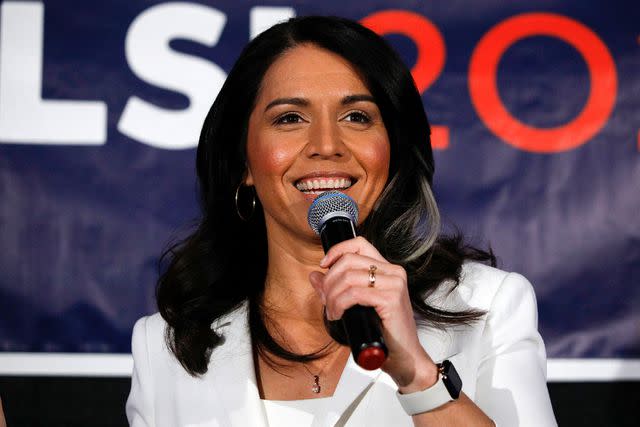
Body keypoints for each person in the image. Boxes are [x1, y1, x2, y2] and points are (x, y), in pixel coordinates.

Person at [126, 16, 557, 427]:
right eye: (289, 118)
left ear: (393, 150)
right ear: (245, 163)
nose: (327, 145)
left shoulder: (486, 307)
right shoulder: (164, 347)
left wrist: (418, 375)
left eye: (357, 117)